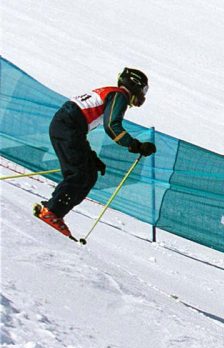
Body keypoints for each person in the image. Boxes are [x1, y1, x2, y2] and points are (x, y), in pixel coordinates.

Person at [33, 67, 156, 238]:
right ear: (134, 84)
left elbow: (80, 125)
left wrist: (91, 157)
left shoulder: (113, 93)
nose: (143, 95)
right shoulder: (120, 95)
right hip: (68, 126)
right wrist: (135, 145)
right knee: (79, 174)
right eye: (143, 89)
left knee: (89, 174)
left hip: (67, 125)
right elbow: (112, 126)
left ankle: (54, 211)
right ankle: (52, 212)